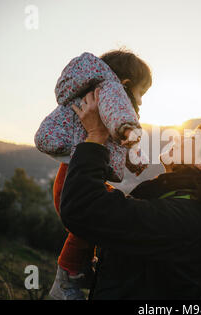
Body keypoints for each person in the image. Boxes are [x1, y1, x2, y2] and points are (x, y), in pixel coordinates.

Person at [59, 91, 201, 299]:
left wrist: (95, 137)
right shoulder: (177, 204)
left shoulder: (184, 218)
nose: (180, 137)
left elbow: (83, 209)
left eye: (192, 139)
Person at [41, 49, 152, 300]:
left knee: (93, 225)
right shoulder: (110, 92)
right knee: (86, 226)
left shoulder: (96, 96)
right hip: (75, 177)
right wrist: (128, 133)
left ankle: (80, 269)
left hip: (74, 174)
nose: (142, 102)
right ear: (125, 84)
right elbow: (119, 120)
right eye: (141, 93)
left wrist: (131, 158)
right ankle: (65, 281)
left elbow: (110, 141)